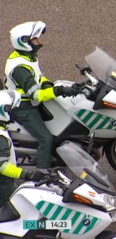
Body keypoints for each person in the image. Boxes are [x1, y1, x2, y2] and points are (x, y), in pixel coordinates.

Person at [3, 21, 82, 172]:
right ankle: (43, 172)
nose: (39, 41)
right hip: (23, 107)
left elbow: (39, 77)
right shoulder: (20, 67)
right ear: (24, 42)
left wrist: (47, 84)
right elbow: (36, 95)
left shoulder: (29, 57)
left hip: (30, 103)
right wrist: (59, 91)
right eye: (35, 39)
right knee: (45, 138)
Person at [0, 90, 47, 208]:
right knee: (17, 209)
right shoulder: (1, 137)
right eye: (11, 110)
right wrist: (26, 174)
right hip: (3, 183)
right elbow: (2, 166)